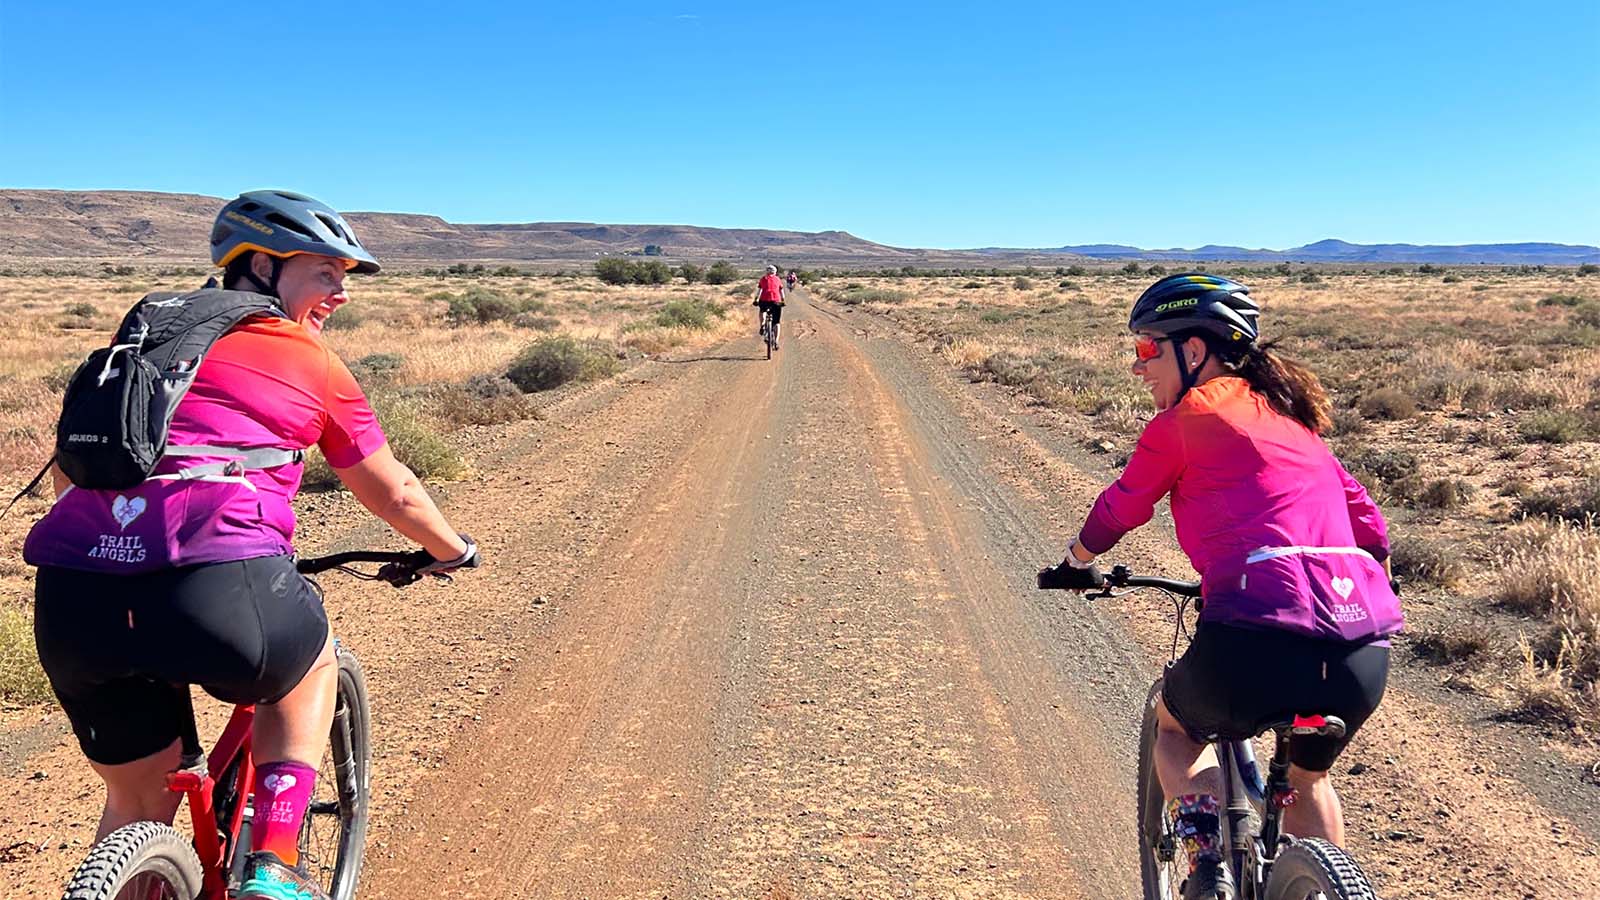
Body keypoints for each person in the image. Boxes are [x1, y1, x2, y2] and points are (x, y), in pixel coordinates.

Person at [25, 190, 480, 900]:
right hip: (219, 587)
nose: (341, 292)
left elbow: (74, 468)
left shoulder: (143, 340)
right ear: (262, 266)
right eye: (325, 272)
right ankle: (274, 863)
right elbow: (393, 491)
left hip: (74, 598)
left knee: (138, 801)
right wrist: (453, 550)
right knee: (309, 661)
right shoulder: (309, 358)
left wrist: (121, 546)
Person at [1037, 273, 1402, 900]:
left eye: (1147, 348)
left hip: (1253, 641)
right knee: (1308, 779)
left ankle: (1206, 869)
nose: (1137, 366)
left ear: (1194, 350)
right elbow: (1366, 517)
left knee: (1177, 731)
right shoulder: (1296, 424)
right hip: (1361, 649)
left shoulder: (1188, 418)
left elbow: (1124, 504)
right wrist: (1369, 582)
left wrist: (1075, 562)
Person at [754, 264, 786, 349]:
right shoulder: (778, 279)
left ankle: (762, 324)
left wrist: (756, 299)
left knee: (762, 311)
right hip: (776, 301)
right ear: (775, 272)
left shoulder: (763, 279)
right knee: (777, 322)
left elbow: (759, 290)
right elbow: (781, 291)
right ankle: (776, 341)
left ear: (767, 272)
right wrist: (783, 300)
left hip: (764, 300)